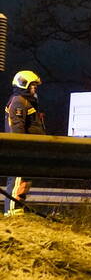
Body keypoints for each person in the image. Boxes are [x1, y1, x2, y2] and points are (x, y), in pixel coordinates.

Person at [4, 70, 46, 215]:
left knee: (24, 181)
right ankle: (12, 211)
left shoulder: (27, 102)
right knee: (17, 178)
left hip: (28, 150)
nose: (35, 89)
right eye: (33, 86)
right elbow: (16, 127)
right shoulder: (19, 102)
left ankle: (18, 208)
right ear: (24, 85)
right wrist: (20, 148)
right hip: (20, 150)